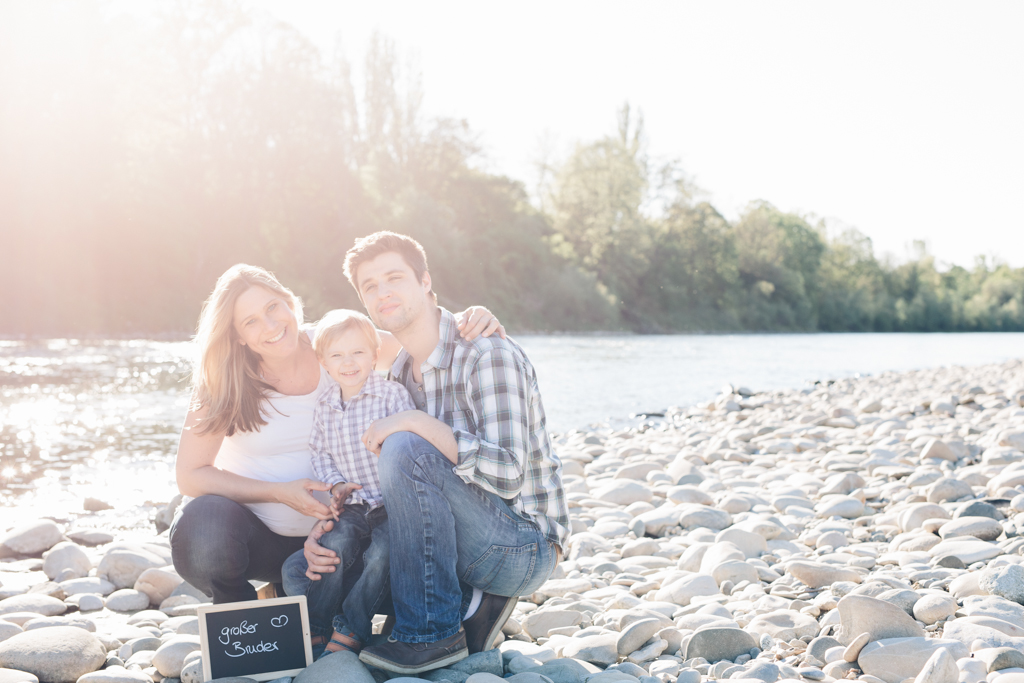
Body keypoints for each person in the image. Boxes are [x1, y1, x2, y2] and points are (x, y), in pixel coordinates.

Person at [168, 263, 503, 651]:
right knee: (203, 527)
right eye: (252, 321)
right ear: (238, 336)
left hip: (347, 529)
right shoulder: (224, 380)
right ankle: (246, 635)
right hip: (259, 539)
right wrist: (279, 493)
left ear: (291, 303)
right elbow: (190, 475)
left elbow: (423, 339)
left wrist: (471, 321)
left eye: (274, 307)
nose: (271, 325)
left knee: (395, 553)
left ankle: (315, 606)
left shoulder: (335, 344)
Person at [300, 232, 570, 675]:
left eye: (394, 277)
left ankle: (431, 634)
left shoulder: (486, 352)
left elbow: (509, 476)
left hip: (520, 545)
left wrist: (417, 424)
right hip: (454, 539)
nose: (382, 291)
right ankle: (469, 606)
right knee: (309, 571)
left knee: (406, 443)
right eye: (370, 286)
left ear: (425, 282)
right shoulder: (401, 369)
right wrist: (325, 525)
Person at [287, 309, 415, 658]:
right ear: (324, 362)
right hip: (355, 503)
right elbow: (320, 451)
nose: (348, 362)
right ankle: (315, 626)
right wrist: (336, 484)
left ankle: (352, 626)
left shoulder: (391, 395)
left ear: (375, 355)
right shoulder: (326, 405)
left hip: (392, 502)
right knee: (336, 544)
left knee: (383, 552)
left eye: (358, 352)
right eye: (338, 355)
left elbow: (408, 446)